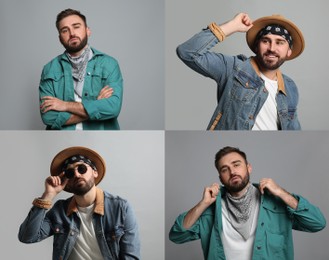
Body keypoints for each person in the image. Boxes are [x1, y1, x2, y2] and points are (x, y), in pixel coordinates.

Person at [169, 146, 326, 260]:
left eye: (236, 164)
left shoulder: (276, 202)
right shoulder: (210, 209)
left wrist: (281, 192)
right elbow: (177, 235)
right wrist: (203, 204)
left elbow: (317, 223)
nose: (232, 172)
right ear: (220, 178)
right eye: (225, 169)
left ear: (248, 167)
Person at [177, 13, 305, 130]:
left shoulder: (290, 86)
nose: (272, 48)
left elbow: (293, 129)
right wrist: (231, 26)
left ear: (289, 52)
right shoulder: (234, 67)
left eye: (280, 42)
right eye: (265, 41)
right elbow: (187, 52)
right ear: (256, 46)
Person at [18, 146, 140, 260]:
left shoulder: (120, 208)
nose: (76, 174)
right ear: (66, 181)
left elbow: (130, 257)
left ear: (94, 172)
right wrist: (47, 195)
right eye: (70, 173)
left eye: (82, 168)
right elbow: (27, 237)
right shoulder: (60, 210)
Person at [39, 9, 123, 130]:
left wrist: (64, 105)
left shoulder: (109, 64)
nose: (72, 33)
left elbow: (112, 108)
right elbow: (48, 117)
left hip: (101, 141)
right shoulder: (50, 69)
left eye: (76, 27)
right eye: (65, 30)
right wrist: (96, 104)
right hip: (62, 143)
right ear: (60, 38)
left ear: (88, 31)